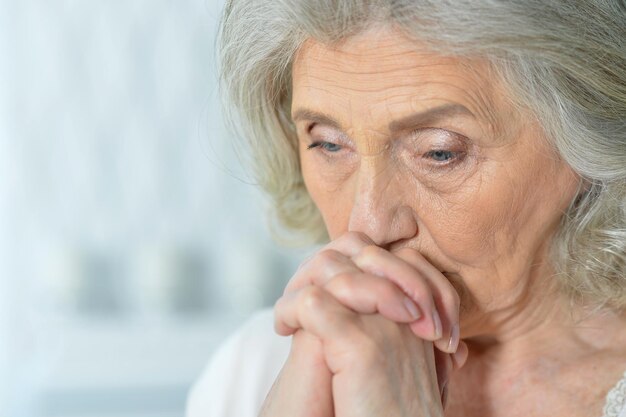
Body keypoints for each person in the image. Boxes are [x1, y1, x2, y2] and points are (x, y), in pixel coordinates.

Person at [187, 1, 626, 416]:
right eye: (328, 144)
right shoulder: (253, 370)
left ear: (588, 144)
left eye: (439, 152)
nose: (368, 226)